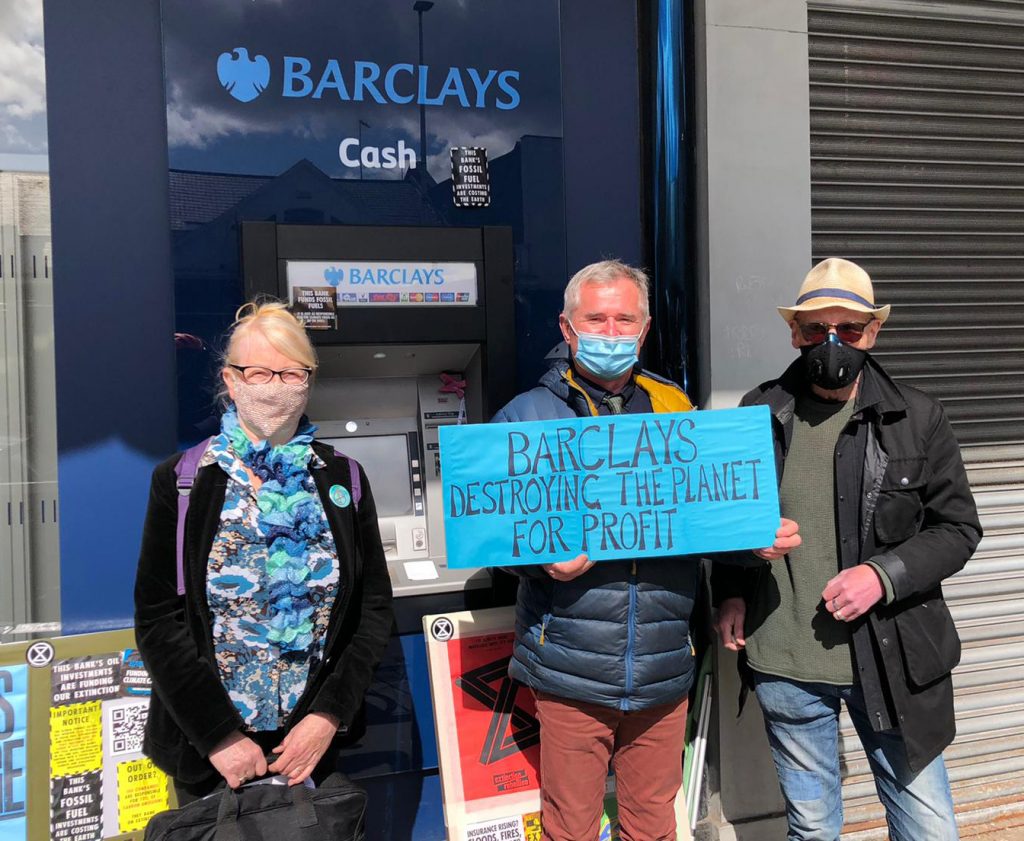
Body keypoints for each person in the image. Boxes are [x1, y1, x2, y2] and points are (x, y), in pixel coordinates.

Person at [492, 260, 799, 841]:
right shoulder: (526, 418)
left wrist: (752, 544)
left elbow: (701, 527)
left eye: (624, 319)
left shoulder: (675, 410)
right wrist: (540, 560)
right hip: (569, 672)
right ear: (566, 326)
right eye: (596, 319)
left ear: (646, 326)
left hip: (663, 668)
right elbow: (494, 537)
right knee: (570, 827)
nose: (611, 332)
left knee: (653, 824)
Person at [713, 258, 982, 841]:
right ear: (794, 333)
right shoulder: (756, 414)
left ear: (873, 333)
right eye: (815, 330)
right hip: (785, 663)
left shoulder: (916, 418)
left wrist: (882, 576)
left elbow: (958, 530)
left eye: (849, 330)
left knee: (929, 828)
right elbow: (727, 519)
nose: (831, 343)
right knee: (812, 829)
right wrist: (734, 586)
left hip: (892, 660)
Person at [134, 300, 393, 802]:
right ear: (230, 381)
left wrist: (327, 716)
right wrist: (219, 736)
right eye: (258, 371)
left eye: (292, 372)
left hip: (311, 747)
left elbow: (372, 609)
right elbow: (158, 620)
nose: (275, 385)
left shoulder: (344, 478)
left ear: (309, 381)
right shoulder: (183, 481)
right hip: (212, 753)